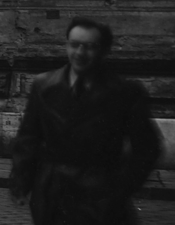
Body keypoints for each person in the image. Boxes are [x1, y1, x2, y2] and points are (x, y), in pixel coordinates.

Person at [11, 18, 162, 225]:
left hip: (100, 197)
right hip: (53, 194)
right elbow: (28, 137)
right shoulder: (44, 86)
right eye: (74, 45)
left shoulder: (124, 93)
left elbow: (147, 148)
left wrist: (120, 189)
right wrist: (21, 182)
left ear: (103, 50)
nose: (80, 53)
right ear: (66, 45)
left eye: (89, 47)